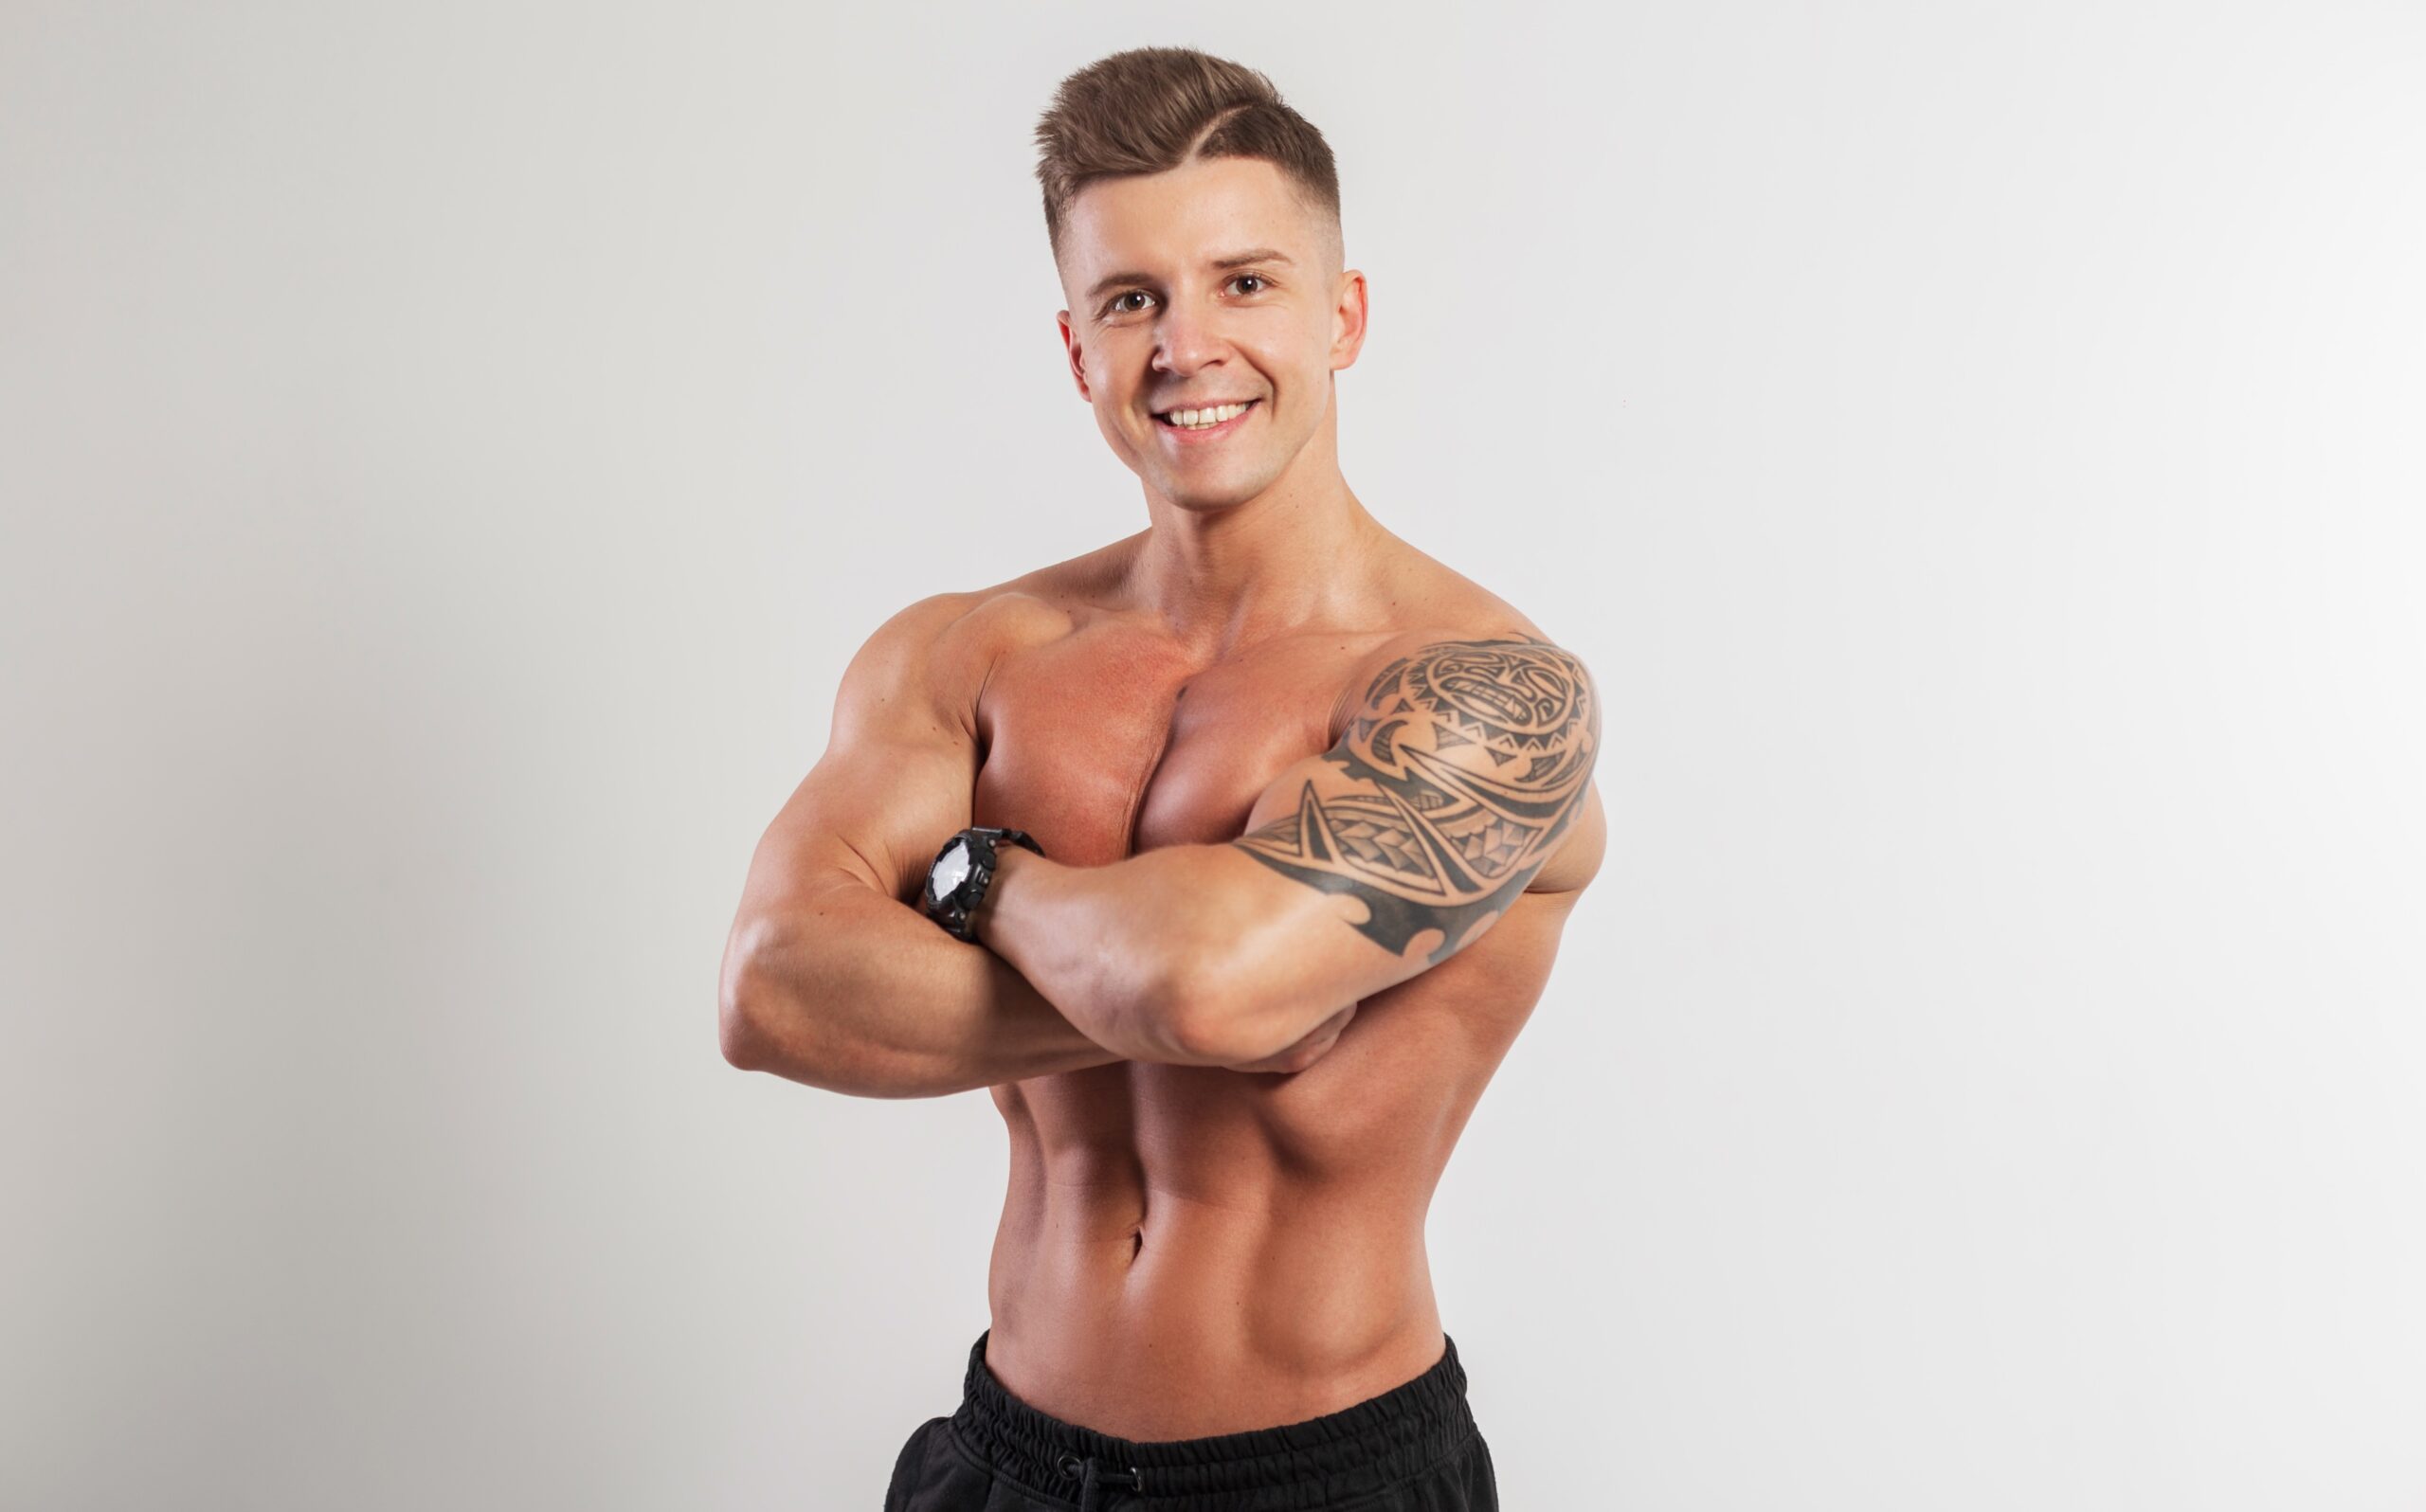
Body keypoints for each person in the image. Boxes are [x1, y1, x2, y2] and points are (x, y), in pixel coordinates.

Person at [718, 45, 1605, 1511]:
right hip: (999, 1457)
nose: (1187, 345)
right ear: (1079, 352)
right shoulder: (969, 651)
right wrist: (1175, 989)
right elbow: (773, 988)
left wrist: (978, 882)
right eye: (1132, 300)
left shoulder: (1484, 694)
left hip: (1321, 1476)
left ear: (1343, 315)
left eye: (1244, 283)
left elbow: (1209, 989)